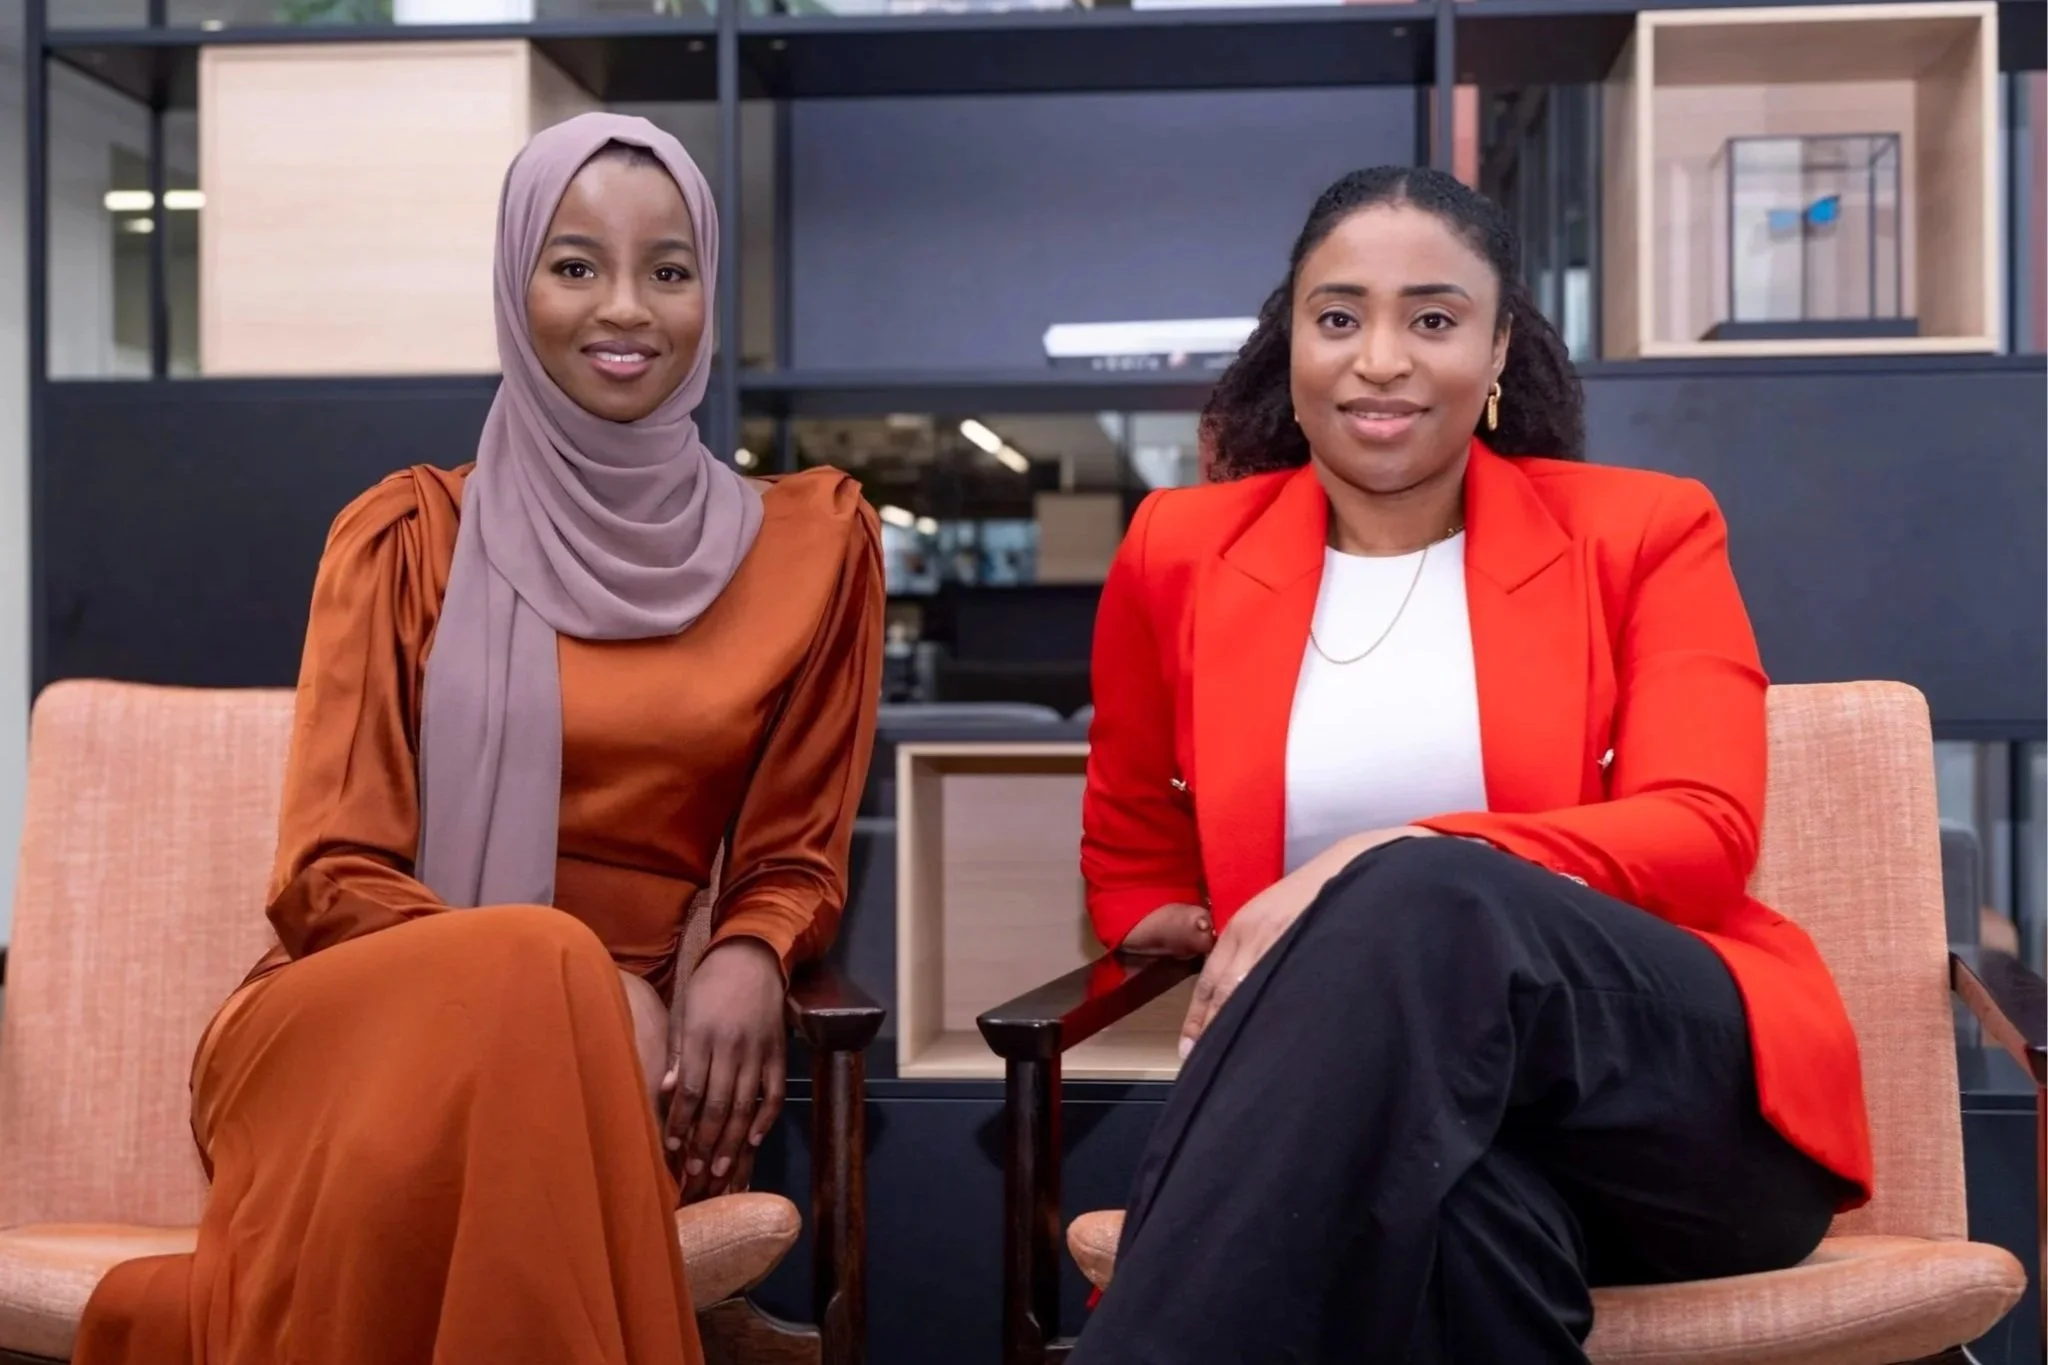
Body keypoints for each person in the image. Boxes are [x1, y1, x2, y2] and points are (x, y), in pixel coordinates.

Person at [72, 111, 883, 1365]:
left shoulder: (814, 545)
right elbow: (328, 875)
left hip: (623, 1087)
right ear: (516, 286)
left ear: (708, 295)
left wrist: (750, 951)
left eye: (668, 271)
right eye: (575, 266)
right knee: (540, 981)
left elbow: (797, 848)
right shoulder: (405, 535)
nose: (626, 309)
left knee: (545, 1046)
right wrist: (564, 980)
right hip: (361, 1030)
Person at [1070, 166, 1871, 1362]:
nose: (1379, 357)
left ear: (1498, 350)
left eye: (1432, 319)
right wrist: (1179, 925)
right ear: (1286, 343)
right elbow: (1131, 834)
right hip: (1422, 1121)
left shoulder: (1640, 528)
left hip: (1674, 1109)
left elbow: (1702, 830)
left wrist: (1396, 853)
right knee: (1460, 1219)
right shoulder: (1177, 552)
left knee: (1416, 894)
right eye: (1336, 317)